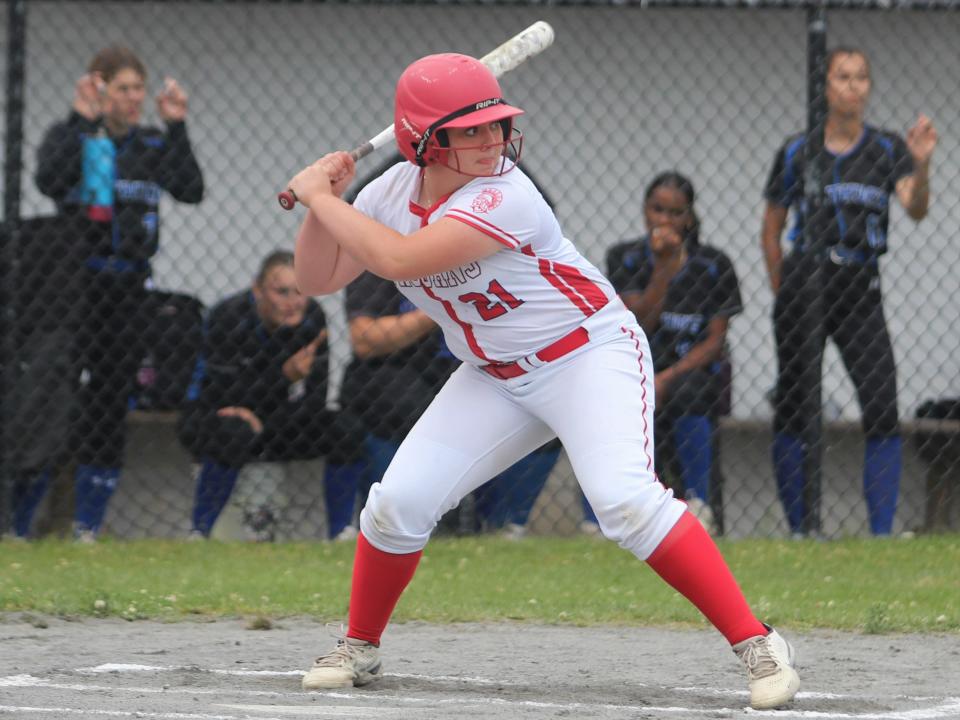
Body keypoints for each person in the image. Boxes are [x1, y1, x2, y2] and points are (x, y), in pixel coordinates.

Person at [285, 53, 799, 710]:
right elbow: (318, 279)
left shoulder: (506, 193)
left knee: (624, 501)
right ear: (423, 140)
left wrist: (326, 197)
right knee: (397, 503)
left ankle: (757, 641)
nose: (492, 140)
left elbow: (397, 258)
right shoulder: (386, 196)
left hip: (587, 357)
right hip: (494, 376)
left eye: (495, 125)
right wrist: (317, 206)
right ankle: (360, 644)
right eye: (469, 131)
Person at [339, 154, 563, 540]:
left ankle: (503, 525)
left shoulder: (508, 241)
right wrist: (441, 303)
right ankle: (401, 523)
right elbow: (365, 338)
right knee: (393, 399)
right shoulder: (387, 240)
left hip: (486, 360)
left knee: (547, 403)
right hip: (407, 365)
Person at [761, 47, 937, 536]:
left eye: (862, 77)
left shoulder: (885, 149)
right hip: (805, 281)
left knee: (881, 404)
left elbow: (916, 208)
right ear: (827, 87)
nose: (853, 86)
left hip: (860, 285)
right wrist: (783, 290)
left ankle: (880, 534)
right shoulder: (799, 150)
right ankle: (800, 530)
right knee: (796, 405)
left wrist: (921, 166)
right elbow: (771, 229)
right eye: (843, 77)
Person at [34, 45, 205, 541]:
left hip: (129, 288)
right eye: (124, 88)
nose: (134, 98)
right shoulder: (75, 134)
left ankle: (87, 523)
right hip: (75, 286)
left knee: (110, 397)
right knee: (56, 393)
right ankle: (26, 515)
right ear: (101, 87)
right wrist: (79, 119)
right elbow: (49, 180)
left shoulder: (150, 145)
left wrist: (176, 126)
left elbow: (190, 189)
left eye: (138, 89)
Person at [178, 251, 366, 541]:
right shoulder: (228, 316)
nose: (293, 302)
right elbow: (221, 396)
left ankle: (341, 532)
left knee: (346, 428)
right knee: (233, 431)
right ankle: (199, 531)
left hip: (277, 420)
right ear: (258, 291)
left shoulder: (312, 317)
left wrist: (270, 411)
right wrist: (284, 378)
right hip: (215, 419)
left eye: (300, 291)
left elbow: (315, 401)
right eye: (282, 292)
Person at [606, 172, 742, 535]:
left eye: (675, 212)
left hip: (687, 373)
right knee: (606, 397)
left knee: (690, 392)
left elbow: (715, 341)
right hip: (635, 367)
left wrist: (666, 377)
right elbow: (639, 321)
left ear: (689, 217)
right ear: (645, 211)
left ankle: (700, 506)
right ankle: (608, 516)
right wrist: (664, 267)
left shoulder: (714, 264)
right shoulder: (625, 258)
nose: (664, 220)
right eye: (657, 210)